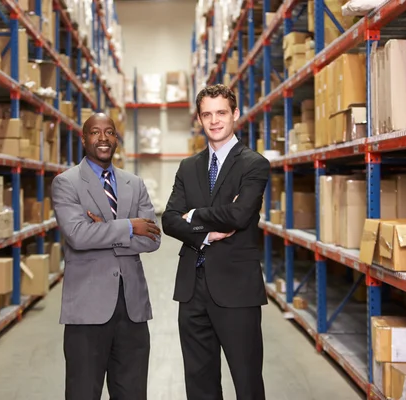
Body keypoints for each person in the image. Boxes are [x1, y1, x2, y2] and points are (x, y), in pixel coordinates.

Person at [162, 84, 270, 400]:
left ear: (235, 114)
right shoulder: (188, 167)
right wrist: (207, 231)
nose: (214, 121)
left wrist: (193, 214)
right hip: (191, 288)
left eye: (221, 112)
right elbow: (169, 220)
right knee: (199, 382)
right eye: (207, 114)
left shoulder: (254, 164)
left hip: (236, 289)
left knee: (247, 381)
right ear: (199, 118)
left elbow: (238, 215)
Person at [51, 112, 161, 400]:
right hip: (88, 309)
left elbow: (152, 239)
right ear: (84, 138)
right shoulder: (67, 183)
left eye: (109, 132)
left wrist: (103, 230)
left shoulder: (133, 183)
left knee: (133, 393)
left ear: (116, 138)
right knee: (83, 392)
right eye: (95, 132)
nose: (103, 138)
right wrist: (127, 227)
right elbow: (77, 235)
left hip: (133, 309)